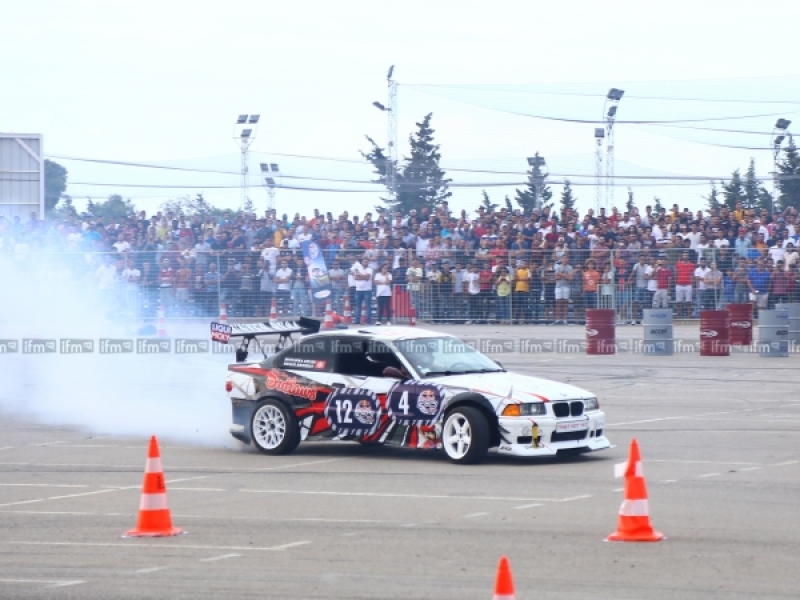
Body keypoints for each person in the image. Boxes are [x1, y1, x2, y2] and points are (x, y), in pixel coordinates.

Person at [352, 257, 374, 325]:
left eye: (366, 262)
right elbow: (355, 277)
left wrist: (360, 276)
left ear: (368, 263)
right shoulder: (358, 269)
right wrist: (363, 277)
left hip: (367, 290)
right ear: (362, 262)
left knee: (368, 306)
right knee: (358, 306)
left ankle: (368, 321)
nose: (365, 263)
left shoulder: (370, 269)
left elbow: (367, 278)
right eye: (364, 262)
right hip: (358, 290)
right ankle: (357, 320)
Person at [553, 255, 573, 325]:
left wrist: (560, 274)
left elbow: (570, 278)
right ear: (561, 259)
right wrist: (565, 275)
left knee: (565, 303)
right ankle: (558, 319)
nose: (565, 259)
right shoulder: (558, 267)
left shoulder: (570, 267)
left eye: (566, 258)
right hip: (558, 286)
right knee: (558, 303)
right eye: (563, 258)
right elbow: (556, 277)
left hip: (566, 286)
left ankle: (565, 320)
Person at [674, 252, 695, 318]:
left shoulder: (692, 265)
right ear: (682, 256)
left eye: (686, 255)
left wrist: (692, 284)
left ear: (688, 256)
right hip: (679, 285)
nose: (685, 256)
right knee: (678, 302)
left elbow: (692, 275)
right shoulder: (678, 264)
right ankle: (678, 316)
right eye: (684, 255)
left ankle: (689, 316)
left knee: (689, 302)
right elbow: (675, 274)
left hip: (688, 285)